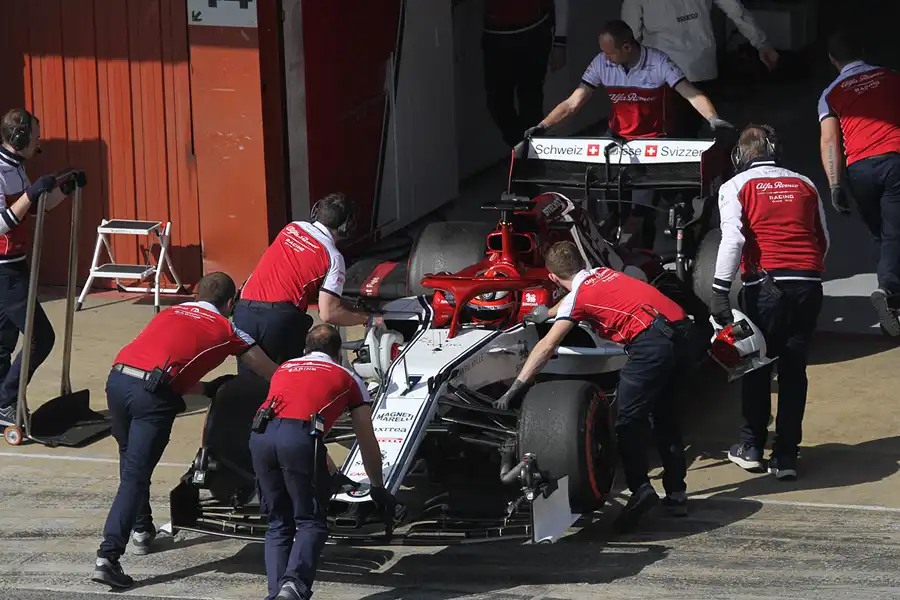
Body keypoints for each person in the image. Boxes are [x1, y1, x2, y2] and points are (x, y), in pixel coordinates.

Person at [493, 241, 700, 533]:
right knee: (665, 416)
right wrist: (548, 313)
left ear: (552, 277)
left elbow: (547, 346)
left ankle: (641, 488)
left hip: (652, 344)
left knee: (627, 421)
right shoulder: (603, 273)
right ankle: (677, 493)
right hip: (685, 332)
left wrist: (515, 387)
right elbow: (573, 297)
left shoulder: (578, 297)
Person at [91, 272, 280, 589]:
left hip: (118, 380)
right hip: (151, 397)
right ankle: (107, 558)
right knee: (136, 475)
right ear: (230, 303)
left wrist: (206, 388)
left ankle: (141, 529)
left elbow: (164, 368)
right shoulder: (229, 330)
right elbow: (270, 371)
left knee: (131, 463)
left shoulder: (170, 312)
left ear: (196, 294)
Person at [523, 20, 732, 251]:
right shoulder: (601, 62)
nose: (605, 57)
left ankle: (645, 253)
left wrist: (713, 118)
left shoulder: (659, 62)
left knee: (641, 212)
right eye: (603, 52)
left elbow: (692, 94)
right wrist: (543, 126)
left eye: (610, 52)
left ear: (627, 47)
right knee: (606, 203)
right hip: (616, 138)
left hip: (652, 142)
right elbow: (573, 103)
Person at [710, 124, 829, 480]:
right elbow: (823, 238)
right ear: (774, 150)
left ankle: (751, 447)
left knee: (755, 365)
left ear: (740, 155)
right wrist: (806, 272)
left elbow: (733, 239)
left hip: (764, 287)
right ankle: (786, 456)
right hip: (807, 283)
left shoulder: (735, 185)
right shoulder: (805, 183)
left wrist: (719, 290)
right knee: (794, 370)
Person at [250, 323, 397, 600]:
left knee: (279, 523)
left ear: (305, 349)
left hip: (261, 437)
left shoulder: (285, 368)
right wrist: (377, 486)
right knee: (311, 521)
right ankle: (293, 586)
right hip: (298, 439)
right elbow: (366, 441)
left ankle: (277, 594)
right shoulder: (349, 378)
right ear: (338, 353)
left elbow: (290, 421)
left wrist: (329, 468)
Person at [234, 193, 383, 375]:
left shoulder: (291, 227)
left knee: (248, 383)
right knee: (287, 382)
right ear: (347, 227)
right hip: (277, 320)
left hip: (243, 312)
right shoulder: (333, 257)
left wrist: (351, 307)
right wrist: (367, 318)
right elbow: (329, 313)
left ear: (316, 211)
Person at [818, 28, 900, 336]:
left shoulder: (830, 93)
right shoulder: (891, 77)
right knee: (894, 234)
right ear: (863, 51)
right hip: (894, 160)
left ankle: (891, 308)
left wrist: (835, 185)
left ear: (832, 60)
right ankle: (888, 290)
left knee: (882, 235)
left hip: (859, 170)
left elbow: (829, 140)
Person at [0, 108, 70, 427]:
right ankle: (7, 401)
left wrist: (64, 189)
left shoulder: (16, 167)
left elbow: (32, 208)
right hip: (5, 271)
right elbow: (3, 223)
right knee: (42, 337)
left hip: (17, 264)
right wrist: (31, 193)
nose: (38, 143)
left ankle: (2, 405)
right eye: (36, 138)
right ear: (20, 137)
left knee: (3, 341)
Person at [622, 0, 778, 138]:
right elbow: (736, 10)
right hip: (702, 70)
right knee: (699, 134)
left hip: (663, 77)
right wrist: (761, 43)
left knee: (667, 137)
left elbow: (629, 36)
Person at [455, 0, 569, 148]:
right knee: (497, 104)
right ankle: (524, 149)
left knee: (530, 104)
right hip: (496, 36)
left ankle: (530, 154)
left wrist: (560, 42)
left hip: (533, 34)